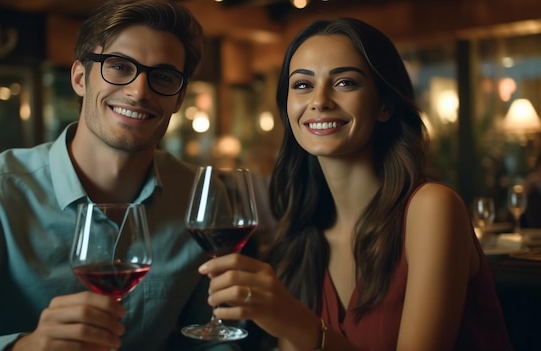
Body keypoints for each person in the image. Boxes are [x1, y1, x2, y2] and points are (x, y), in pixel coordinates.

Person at [0, 1, 238, 350]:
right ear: (80, 77)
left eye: (163, 76)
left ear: (179, 97)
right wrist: (28, 346)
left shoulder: (200, 195)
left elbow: (207, 337)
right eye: (118, 66)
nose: (139, 91)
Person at [197, 18, 513, 351]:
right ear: (287, 108)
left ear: (384, 105)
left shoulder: (432, 208)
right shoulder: (301, 235)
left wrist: (291, 319)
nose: (320, 100)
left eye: (345, 82)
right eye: (302, 85)